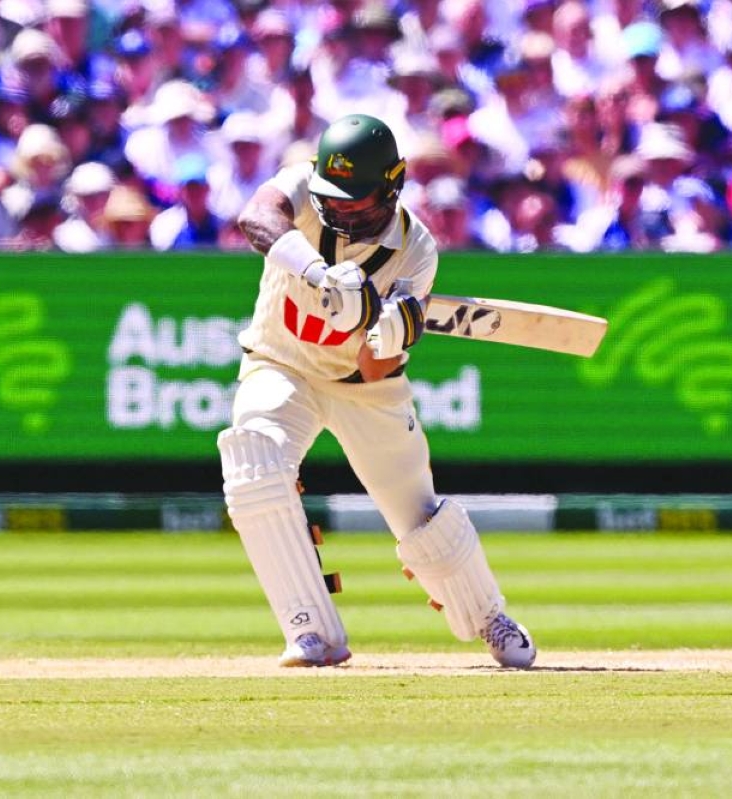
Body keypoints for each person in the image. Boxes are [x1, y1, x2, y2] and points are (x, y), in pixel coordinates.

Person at [221, 114, 535, 669]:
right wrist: (319, 274)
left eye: (355, 203)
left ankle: (489, 615)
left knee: (418, 515)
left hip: (364, 390)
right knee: (252, 462)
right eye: (331, 200)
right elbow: (255, 217)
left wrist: (387, 331)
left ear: (392, 188)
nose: (340, 212)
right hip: (281, 365)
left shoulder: (416, 251)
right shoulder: (299, 186)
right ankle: (312, 632)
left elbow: (373, 367)